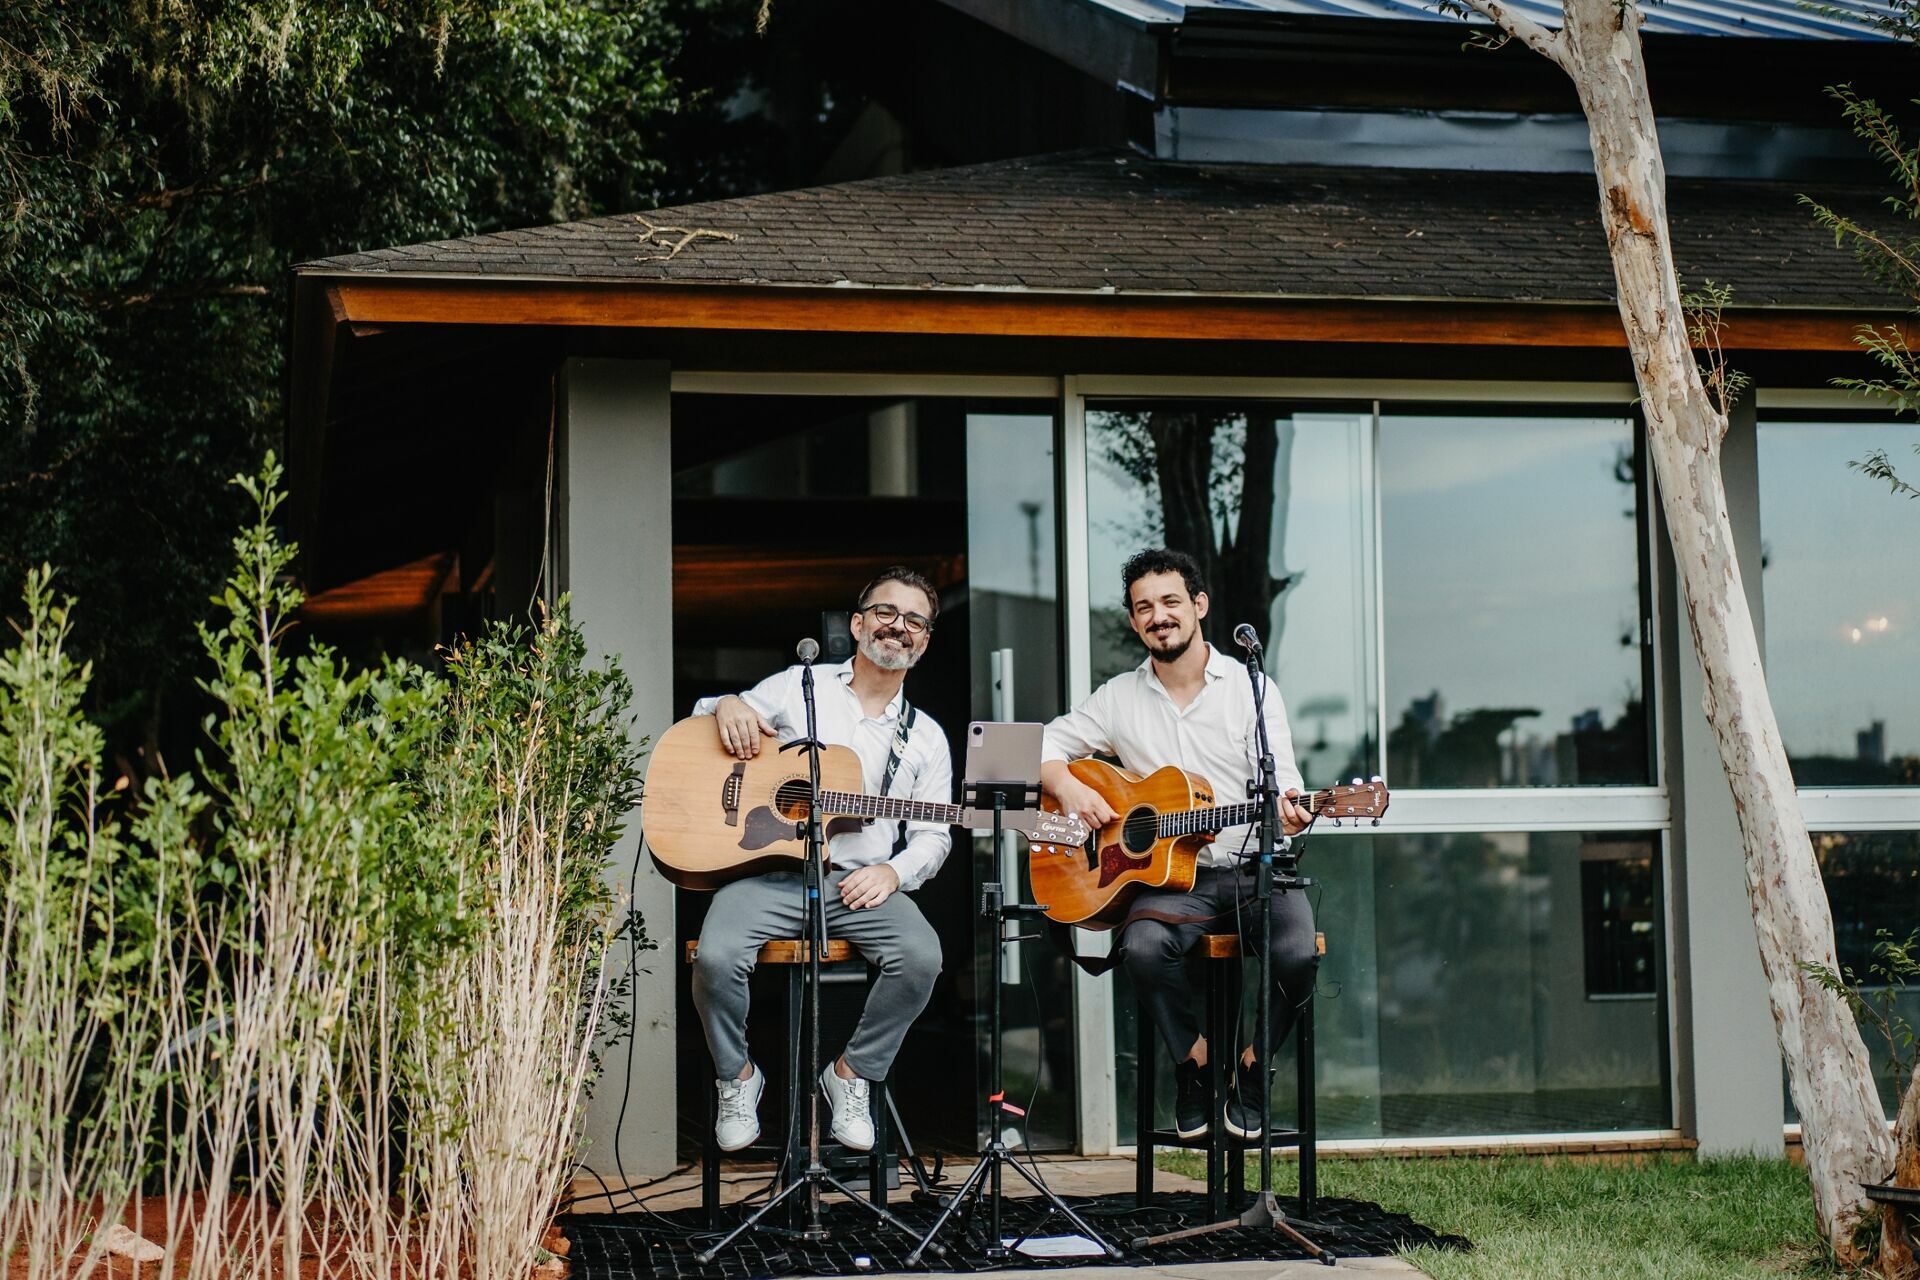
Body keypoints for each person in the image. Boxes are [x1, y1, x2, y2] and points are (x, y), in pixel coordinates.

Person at [1041, 548, 1315, 1140]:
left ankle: (1250, 1067)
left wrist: (1293, 814)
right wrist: (1067, 786)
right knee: (1141, 947)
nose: (1158, 616)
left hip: (1253, 869)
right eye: (1144, 607)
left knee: (1296, 954)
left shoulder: (1252, 688)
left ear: (1199, 606)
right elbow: (1044, 746)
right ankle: (1193, 1063)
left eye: (1170, 602)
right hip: (1171, 881)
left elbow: (1286, 783)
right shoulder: (1117, 697)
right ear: (1134, 621)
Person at [689, 567, 952, 1153]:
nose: (898, 627)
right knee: (716, 955)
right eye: (886, 612)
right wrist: (727, 703)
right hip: (772, 875)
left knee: (920, 957)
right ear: (858, 624)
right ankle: (736, 1077)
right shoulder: (798, 685)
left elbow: (935, 835)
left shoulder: (926, 738)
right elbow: (712, 718)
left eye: (915, 620)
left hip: (860, 886)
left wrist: (893, 872)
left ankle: (852, 1075)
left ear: (925, 640)